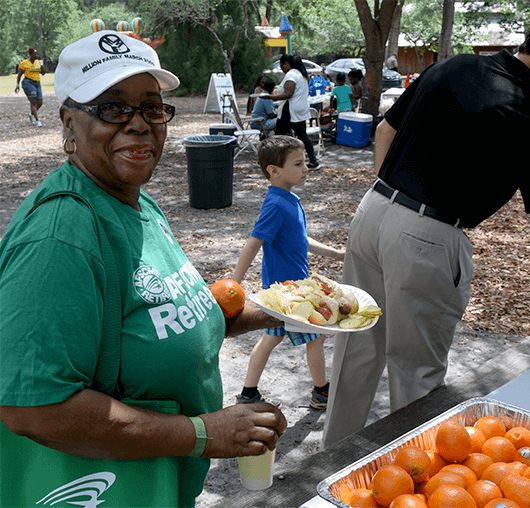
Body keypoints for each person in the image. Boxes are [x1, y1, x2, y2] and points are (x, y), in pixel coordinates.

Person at [0, 31, 286, 507]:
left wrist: (285, 309)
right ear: (69, 124)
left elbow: (168, 317)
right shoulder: (61, 234)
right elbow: (35, 409)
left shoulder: (137, 202)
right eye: (113, 107)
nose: (138, 124)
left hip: (160, 485)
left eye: (151, 107)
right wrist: (201, 433)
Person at [323, 5, 530, 448]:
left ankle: (328, 462)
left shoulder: (455, 66)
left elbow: (385, 130)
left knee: (355, 351)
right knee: (415, 378)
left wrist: (393, 200)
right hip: (428, 236)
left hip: (372, 212)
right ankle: (407, 485)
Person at [231, 136, 345, 409]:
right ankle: (322, 393)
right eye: (298, 163)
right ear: (274, 170)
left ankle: (248, 393)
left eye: (305, 161)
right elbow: (253, 242)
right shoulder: (275, 205)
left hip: (291, 290)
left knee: (272, 337)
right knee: (314, 338)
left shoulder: (289, 199)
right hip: (287, 295)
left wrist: (337, 254)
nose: (306, 168)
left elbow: (300, 240)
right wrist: (233, 284)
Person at [265, 54, 321, 170]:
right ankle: (313, 161)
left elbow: (288, 94)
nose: (282, 68)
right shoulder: (302, 74)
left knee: (278, 137)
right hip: (299, 110)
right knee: (302, 136)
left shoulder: (291, 74)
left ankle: (270, 161)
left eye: (282, 65)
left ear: (287, 64)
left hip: (289, 110)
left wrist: (270, 97)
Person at [15, 47, 46, 126]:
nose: (36, 55)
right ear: (30, 54)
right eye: (35, 54)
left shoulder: (38, 62)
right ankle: (37, 120)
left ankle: (31, 114)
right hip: (28, 83)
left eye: (37, 53)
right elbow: (19, 75)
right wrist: (17, 85)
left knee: (40, 102)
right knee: (33, 101)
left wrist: (42, 65)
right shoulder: (24, 63)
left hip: (37, 83)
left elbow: (43, 73)